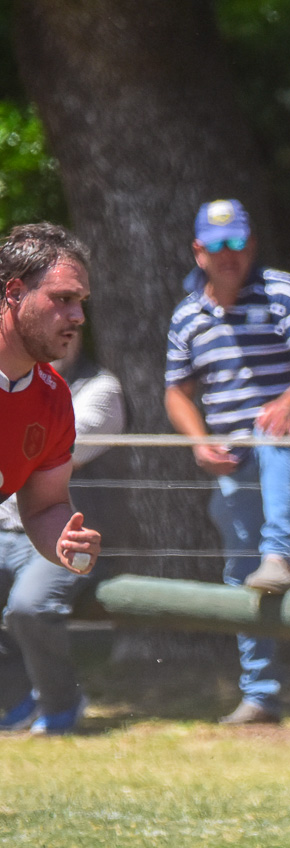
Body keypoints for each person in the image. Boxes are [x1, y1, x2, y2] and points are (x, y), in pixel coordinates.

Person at [164, 199, 290, 726]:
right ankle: (261, 694)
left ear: (252, 245)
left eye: (236, 242)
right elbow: (176, 391)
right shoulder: (187, 315)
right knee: (240, 570)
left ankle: (281, 554)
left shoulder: (285, 291)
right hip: (234, 457)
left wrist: (286, 404)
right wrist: (199, 442)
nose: (228, 254)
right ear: (199, 252)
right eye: (216, 245)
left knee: (272, 437)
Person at [0, 223, 104, 735]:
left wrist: (63, 537)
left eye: (80, 301)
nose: (77, 316)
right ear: (14, 291)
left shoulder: (53, 397)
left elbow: (41, 505)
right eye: (62, 298)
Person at [0, 335, 124, 735]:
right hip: (5, 531)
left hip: (65, 538)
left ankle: (61, 705)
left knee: (29, 607)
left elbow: (52, 447)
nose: (70, 321)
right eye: (59, 304)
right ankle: (16, 698)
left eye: (76, 308)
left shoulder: (101, 389)